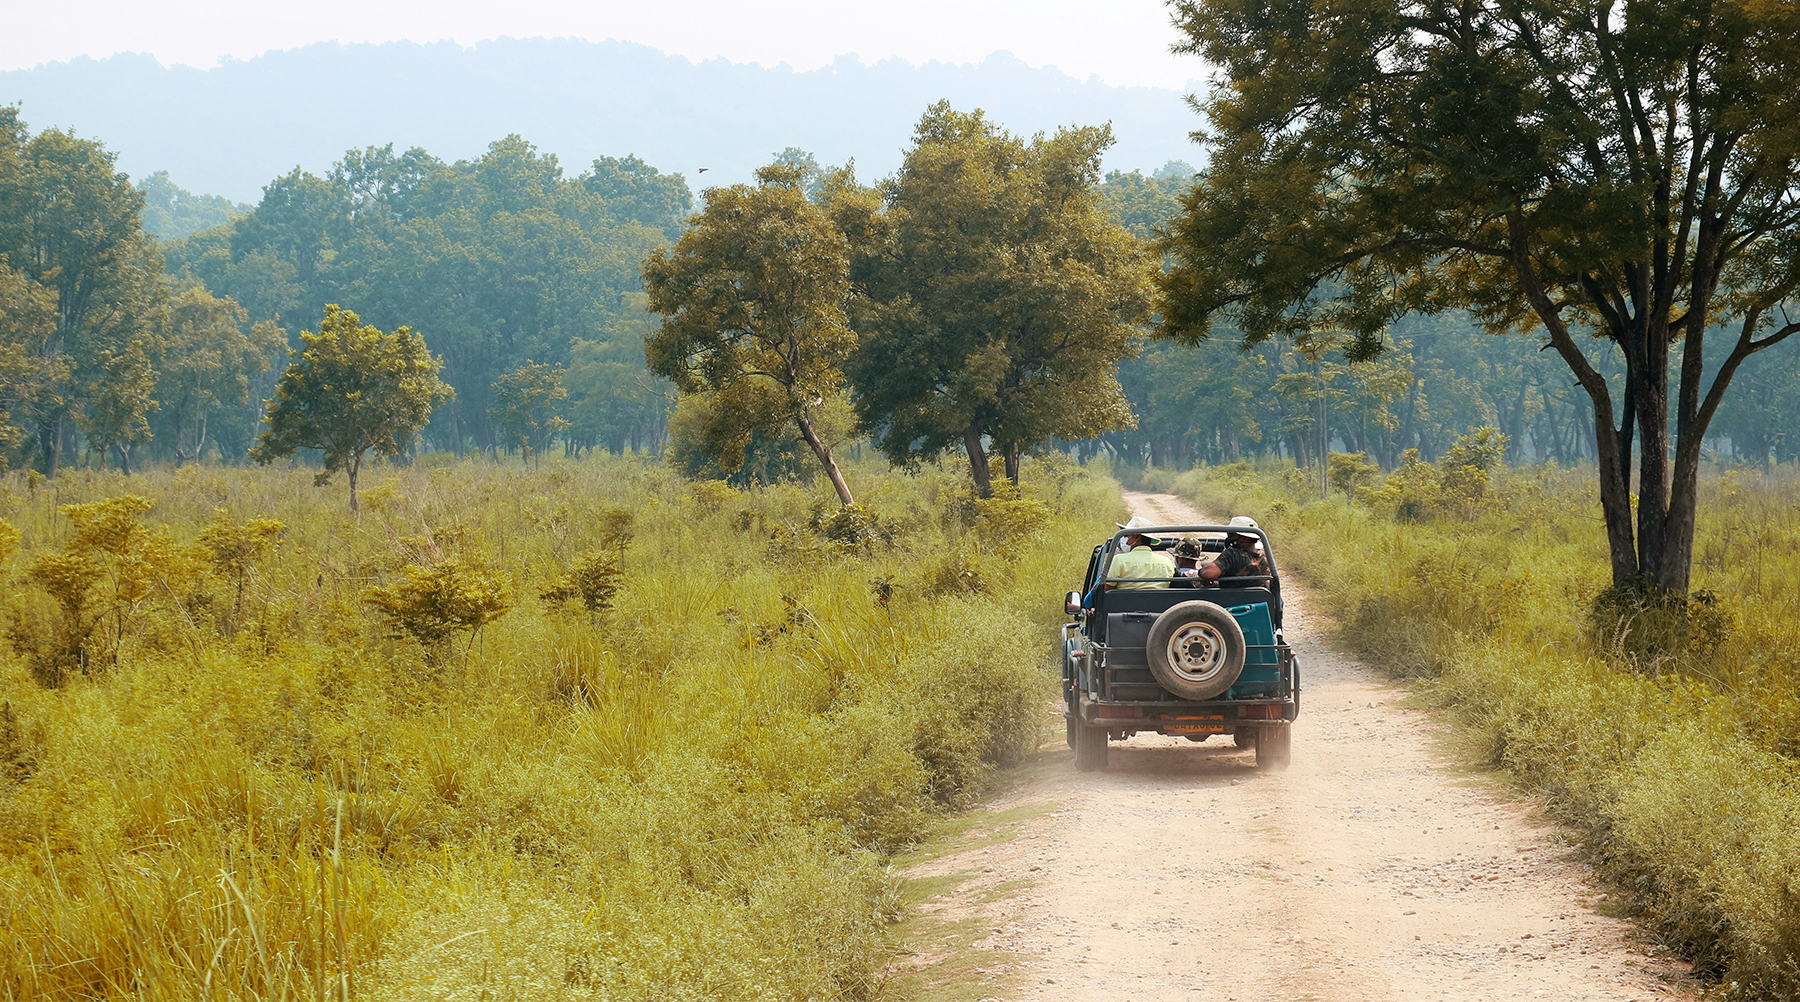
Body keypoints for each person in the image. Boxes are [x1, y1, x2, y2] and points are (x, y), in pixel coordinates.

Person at [1106, 516, 1176, 590]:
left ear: (1136, 537)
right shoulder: (1167, 562)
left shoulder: (1119, 560)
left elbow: (1106, 590)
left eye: (1126, 536)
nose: (1124, 539)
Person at [1200, 515, 1271, 584]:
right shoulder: (1266, 559)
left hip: (1232, 592)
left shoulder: (1233, 555)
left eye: (1231, 535)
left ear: (1244, 538)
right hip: (1260, 592)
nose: (1229, 539)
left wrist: (1200, 571)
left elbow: (1208, 573)